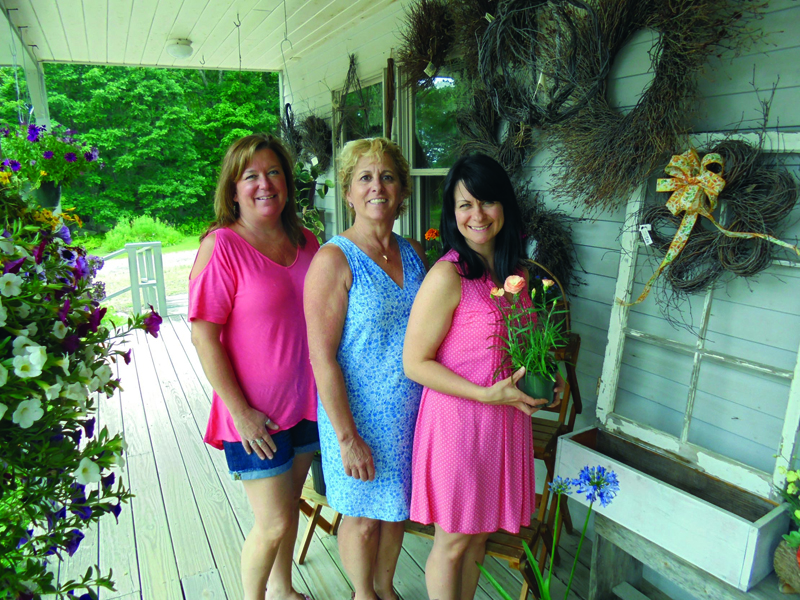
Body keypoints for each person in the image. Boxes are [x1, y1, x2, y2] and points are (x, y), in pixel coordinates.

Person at [403, 153, 563, 600]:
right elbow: (415, 362)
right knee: (453, 541)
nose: (476, 215)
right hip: (459, 422)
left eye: (486, 202)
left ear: (504, 207)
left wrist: (546, 383)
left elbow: (523, 348)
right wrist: (484, 394)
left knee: (478, 539)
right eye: (464, 205)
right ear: (452, 216)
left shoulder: (517, 273)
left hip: (504, 421)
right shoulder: (448, 274)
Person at [189, 133, 318, 600]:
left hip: (308, 404)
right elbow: (204, 334)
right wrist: (239, 411)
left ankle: (283, 590)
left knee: (289, 506)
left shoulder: (307, 241)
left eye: (274, 173)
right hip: (255, 414)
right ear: (233, 188)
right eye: (251, 176)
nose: (264, 184)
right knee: (274, 521)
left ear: (286, 182)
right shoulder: (222, 246)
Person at [304, 137, 427, 600]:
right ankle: (363, 594)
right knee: (361, 516)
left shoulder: (414, 251)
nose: (378, 186)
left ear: (402, 191)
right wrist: (346, 436)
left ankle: (386, 590)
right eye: (365, 178)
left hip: (410, 413)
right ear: (349, 193)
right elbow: (322, 357)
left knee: (395, 510)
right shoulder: (333, 260)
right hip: (356, 419)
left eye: (388, 176)